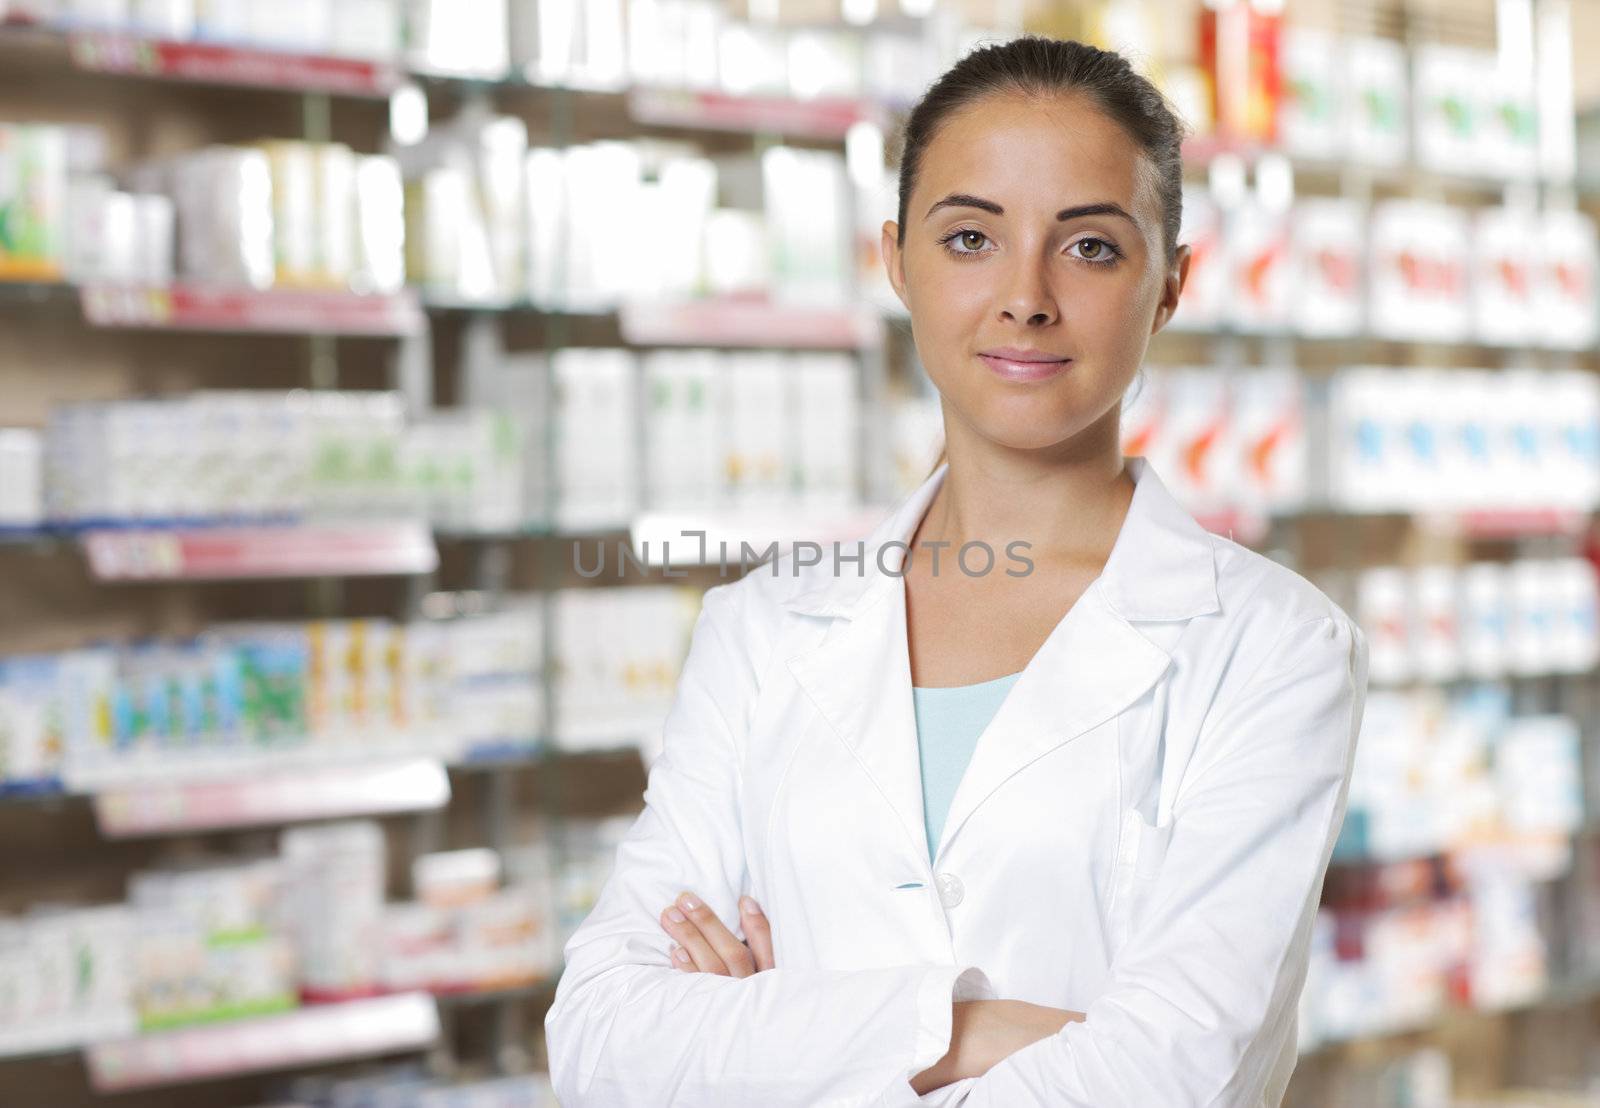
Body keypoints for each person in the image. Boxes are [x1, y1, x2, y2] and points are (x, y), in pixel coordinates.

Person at [544, 34, 1369, 1107]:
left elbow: (1172, 1078)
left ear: (1169, 284)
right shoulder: (763, 626)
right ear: (895, 261)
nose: (1024, 297)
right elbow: (605, 1040)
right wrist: (971, 1026)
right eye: (971, 236)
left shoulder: (1273, 648)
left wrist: (769, 1039)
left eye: (1090, 249)